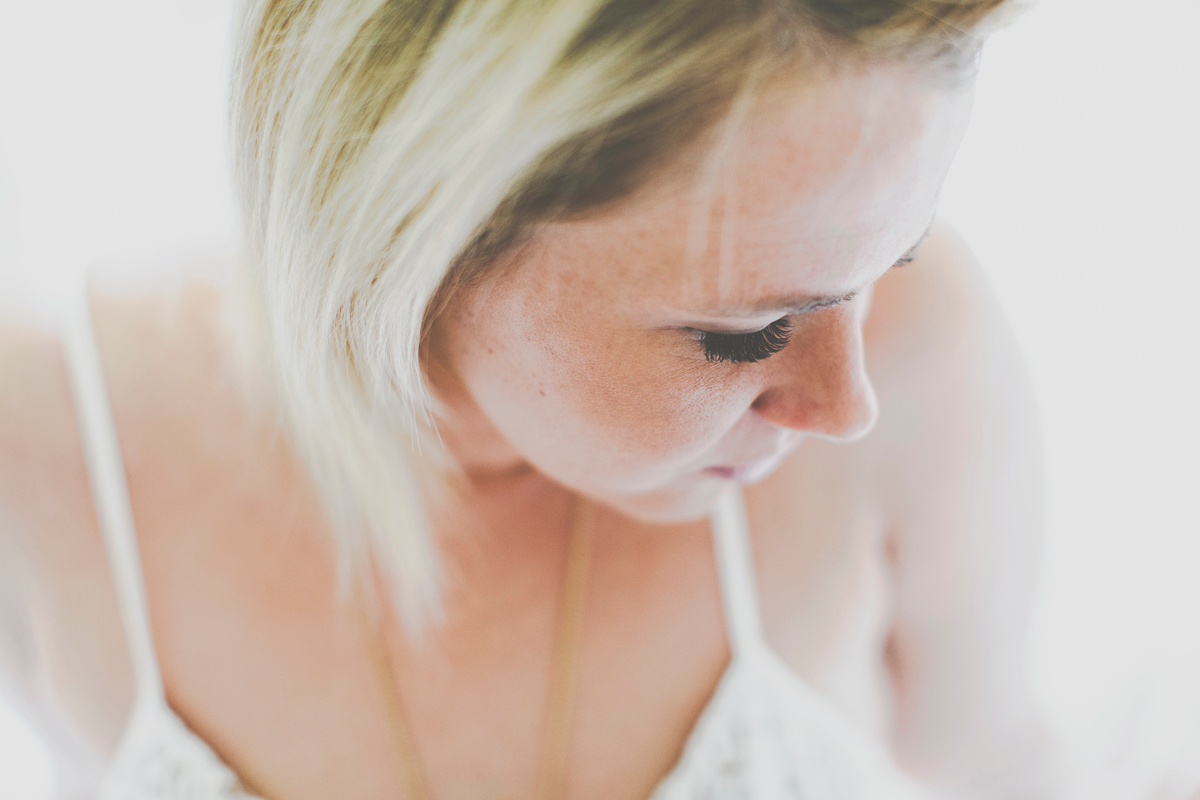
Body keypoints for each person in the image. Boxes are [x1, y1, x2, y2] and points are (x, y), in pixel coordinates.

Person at [0, 0, 1057, 797]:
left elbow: (997, 764)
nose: (846, 404)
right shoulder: (41, 446)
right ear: (418, 236)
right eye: (740, 334)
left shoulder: (922, 351)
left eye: (885, 261)